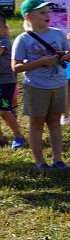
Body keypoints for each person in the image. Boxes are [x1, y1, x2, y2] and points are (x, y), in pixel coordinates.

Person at [11, 0, 70, 170]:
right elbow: (15, 67)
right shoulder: (23, 39)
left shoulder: (58, 33)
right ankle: (40, 162)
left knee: (54, 122)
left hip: (58, 84)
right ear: (29, 16)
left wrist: (67, 55)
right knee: (36, 124)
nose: (47, 15)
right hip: (36, 86)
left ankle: (58, 159)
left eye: (48, 12)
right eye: (42, 12)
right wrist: (41, 62)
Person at [34, 0, 70, 126]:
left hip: (64, 45)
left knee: (66, 81)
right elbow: (29, 23)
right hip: (41, 46)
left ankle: (64, 116)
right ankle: (45, 114)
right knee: (44, 80)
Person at [0, 16, 28, 149]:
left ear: (5, 29)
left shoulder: (4, 41)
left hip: (5, 82)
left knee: (4, 111)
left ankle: (18, 136)